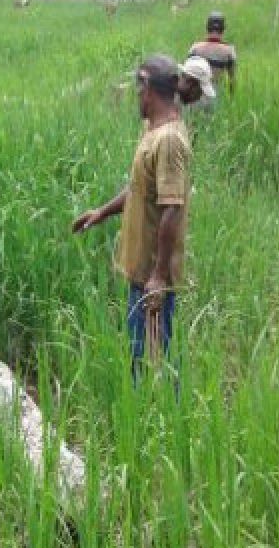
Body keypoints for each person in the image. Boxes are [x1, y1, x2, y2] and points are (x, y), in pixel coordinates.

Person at [72, 56, 191, 382]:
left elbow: (172, 207)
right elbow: (140, 189)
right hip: (142, 271)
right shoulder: (153, 132)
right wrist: (101, 213)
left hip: (152, 276)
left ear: (148, 89)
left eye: (138, 88)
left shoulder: (168, 140)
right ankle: (145, 415)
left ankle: (158, 422)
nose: (135, 96)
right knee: (142, 355)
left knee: (153, 361)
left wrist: (159, 275)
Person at [188, 12, 236, 94]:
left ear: (207, 28)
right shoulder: (229, 52)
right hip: (215, 95)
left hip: (195, 95)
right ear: (223, 29)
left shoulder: (195, 48)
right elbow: (232, 80)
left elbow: (186, 76)